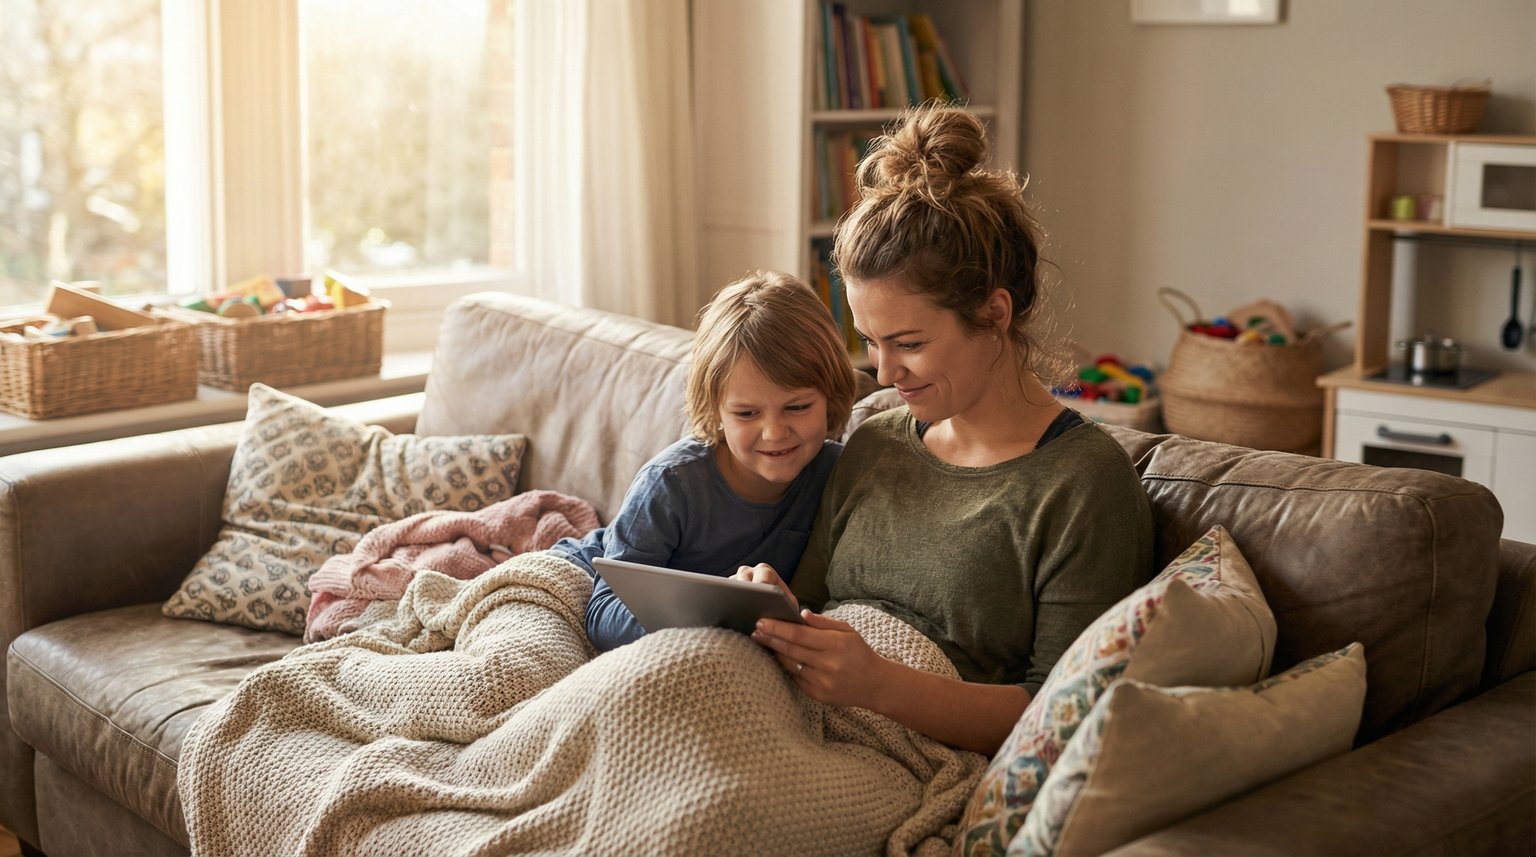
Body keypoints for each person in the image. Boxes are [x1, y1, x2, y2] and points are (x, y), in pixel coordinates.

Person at [740, 104, 1155, 755]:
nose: (883, 372)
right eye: (872, 342)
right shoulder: (875, 442)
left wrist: (878, 683)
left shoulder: (1082, 483)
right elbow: (816, 603)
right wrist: (772, 608)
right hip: (794, 715)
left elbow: (1058, 713)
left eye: (906, 342)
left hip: (907, 756)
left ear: (993, 314)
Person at [551, 271, 860, 652]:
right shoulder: (671, 484)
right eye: (747, 414)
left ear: (831, 397)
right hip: (584, 574)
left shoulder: (837, 473)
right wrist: (706, 626)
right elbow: (603, 610)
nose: (775, 433)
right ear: (716, 411)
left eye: (796, 407)